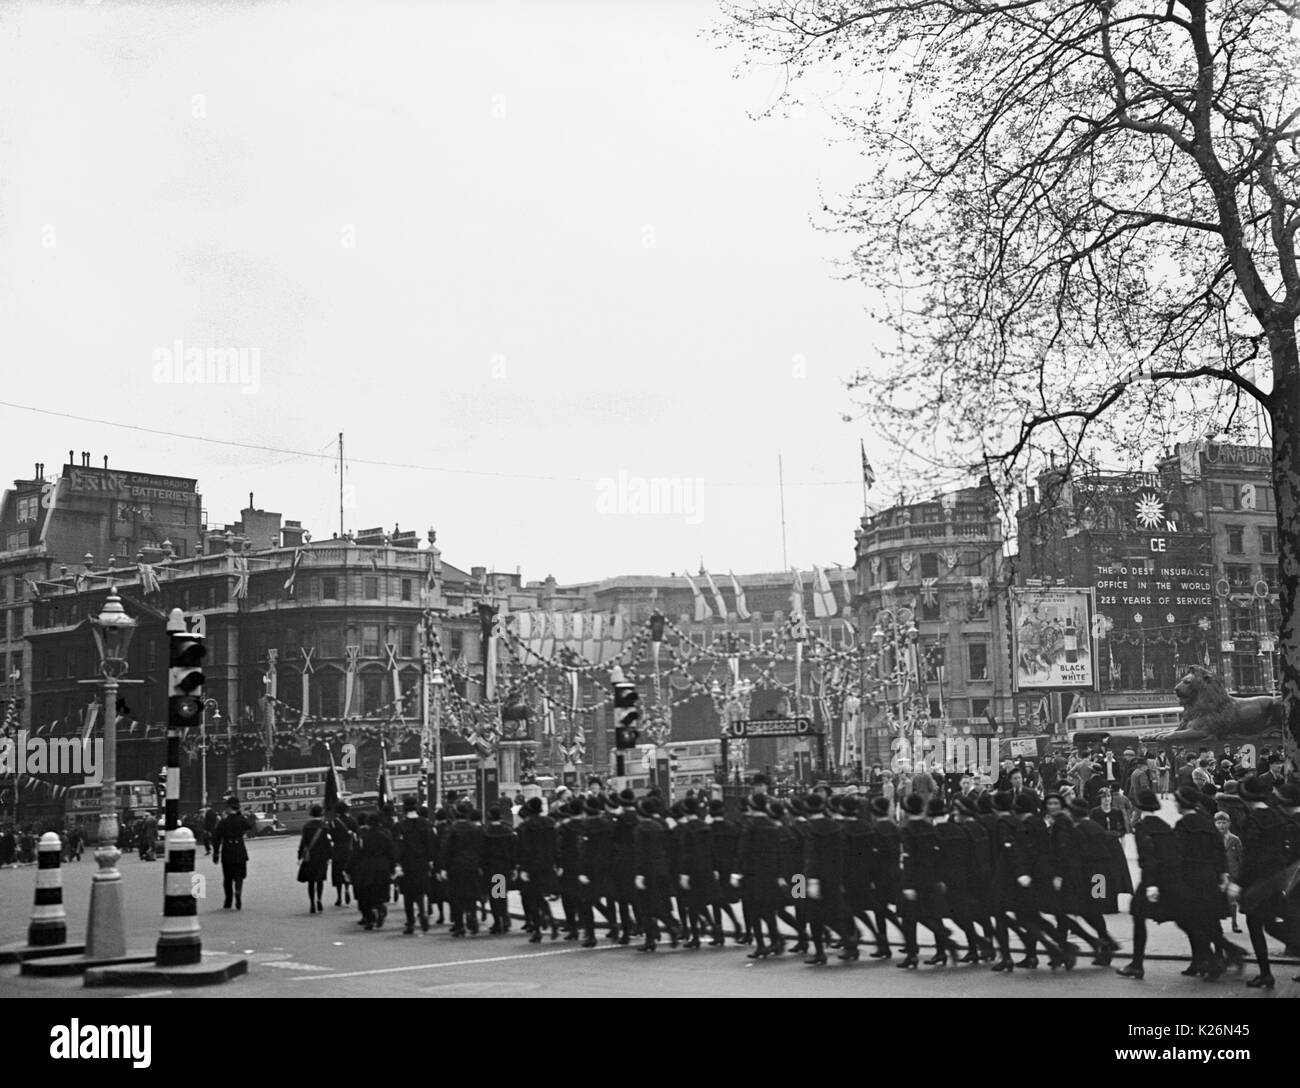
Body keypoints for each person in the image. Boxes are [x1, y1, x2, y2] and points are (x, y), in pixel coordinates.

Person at [1117, 789, 1182, 981]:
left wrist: (1151, 885)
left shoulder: (1143, 828)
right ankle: (1210, 956)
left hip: (1152, 880)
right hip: (1169, 877)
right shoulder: (1165, 825)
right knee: (1186, 918)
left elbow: (1147, 858)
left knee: (1137, 914)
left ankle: (1137, 964)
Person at [397, 796, 437, 934]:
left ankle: (410, 923)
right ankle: (422, 912)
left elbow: (399, 847)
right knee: (420, 892)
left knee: (408, 894)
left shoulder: (401, 826)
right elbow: (430, 844)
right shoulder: (425, 824)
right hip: (422, 862)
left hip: (407, 863)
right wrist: (431, 861)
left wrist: (398, 864)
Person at [211, 797, 251, 910]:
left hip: (227, 850)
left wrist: (215, 853)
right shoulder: (241, 820)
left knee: (227, 877)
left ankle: (228, 900)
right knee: (239, 876)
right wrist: (240, 815)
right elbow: (249, 826)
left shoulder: (223, 822)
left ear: (228, 808)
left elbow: (216, 838)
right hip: (239, 850)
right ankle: (238, 891)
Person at [481, 805, 516, 935]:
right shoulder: (508, 831)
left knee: (495, 896)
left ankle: (498, 921)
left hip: (491, 867)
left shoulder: (487, 832)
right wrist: (513, 866)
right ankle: (505, 919)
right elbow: (513, 851)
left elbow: (483, 852)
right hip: (504, 866)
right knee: (502, 894)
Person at [297, 804, 333, 914]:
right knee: (320, 880)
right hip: (322, 856)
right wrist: (330, 856)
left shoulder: (306, 826)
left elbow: (303, 843)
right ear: (321, 813)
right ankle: (319, 900)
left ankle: (312, 903)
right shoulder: (325, 826)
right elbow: (328, 843)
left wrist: (299, 856)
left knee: (311, 881)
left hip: (310, 856)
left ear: (311, 813)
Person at [329, 801, 357, 907]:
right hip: (349, 850)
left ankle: (339, 896)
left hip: (337, 850)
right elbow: (356, 835)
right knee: (347, 871)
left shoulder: (333, 822)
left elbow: (331, 836)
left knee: (337, 873)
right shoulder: (352, 821)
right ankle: (347, 889)